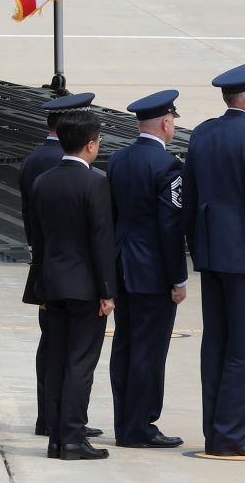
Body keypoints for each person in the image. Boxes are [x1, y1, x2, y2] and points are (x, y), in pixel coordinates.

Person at [184, 62, 245, 457]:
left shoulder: (203, 132)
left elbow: (189, 196)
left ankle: (215, 429)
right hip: (244, 259)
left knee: (216, 346)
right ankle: (233, 433)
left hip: (211, 254)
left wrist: (197, 245)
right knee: (243, 348)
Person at [28, 109, 116, 461]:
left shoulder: (43, 181)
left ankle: (56, 439)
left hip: (51, 284)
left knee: (56, 362)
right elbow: (101, 240)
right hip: (85, 287)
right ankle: (75, 439)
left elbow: (39, 238)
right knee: (81, 365)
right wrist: (107, 291)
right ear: (91, 145)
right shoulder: (95, 182)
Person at [19, 92, 103, 440]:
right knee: (76, 358)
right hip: (80, 279)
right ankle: (70, 425)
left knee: (53, 351)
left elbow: (34, 228)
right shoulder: (86, 175)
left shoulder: (36, 165)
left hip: (48, 275)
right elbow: (98, 237)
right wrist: (106, 289)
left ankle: (52, 420)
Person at [107, 90, 187, 449]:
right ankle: (141, 426)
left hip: (121, 265)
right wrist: (178, 277)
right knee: (149, 351)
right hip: (152, 271)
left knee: (124, 346)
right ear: (166, 123)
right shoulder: (168, 166)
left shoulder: (118, 160)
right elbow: (170, 226)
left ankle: (125, 422)